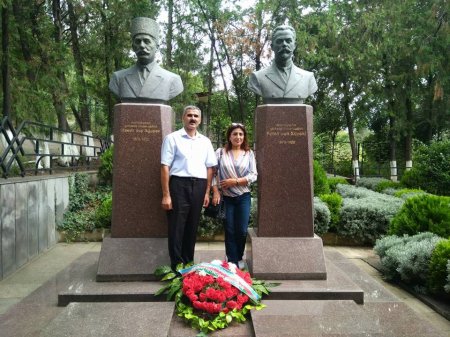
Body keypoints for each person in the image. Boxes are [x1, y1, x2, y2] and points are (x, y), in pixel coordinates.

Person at [160, 106, 217, 270]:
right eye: (189, 115)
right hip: (179, 185)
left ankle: (188, 264)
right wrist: (166, 195)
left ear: (200, 120)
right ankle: (177, 267)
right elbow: (165, 167)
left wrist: (207, 191)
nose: (193, 118)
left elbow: (210, 168)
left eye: (196, 116)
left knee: (192, 227)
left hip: (199, 186)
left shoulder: (205, 141)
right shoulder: (172, 138)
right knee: (177, 227)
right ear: (183, 117)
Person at [212, 123, 257, 268]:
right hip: (226, 198)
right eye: (235, 134)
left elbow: (254, 175)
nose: (238, 137)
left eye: (241, 134)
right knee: (230, 229)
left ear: (244, 137)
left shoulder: (249, 153)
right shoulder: (220, 152)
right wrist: (216, 191)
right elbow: (213, 173)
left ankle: (239, 257)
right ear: (229, 136)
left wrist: (235, 182)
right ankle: (231, 260)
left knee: (242, 230)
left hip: (243, 196)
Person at [109, 17, 183, 103]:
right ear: (133, 47)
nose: (142, 46)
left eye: (147, 41)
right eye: (137, 41)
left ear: (156, 47)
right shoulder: (118, 78)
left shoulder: (172, 79)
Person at [248, 25, 317, 104]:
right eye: (279, 41)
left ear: (294, 45)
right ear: (272, 47)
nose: (284, 44)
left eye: (288, 41)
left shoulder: (308, 77)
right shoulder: (258, 77)